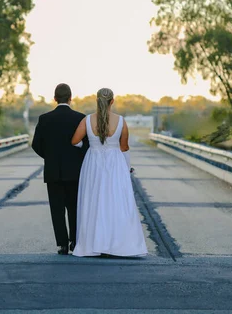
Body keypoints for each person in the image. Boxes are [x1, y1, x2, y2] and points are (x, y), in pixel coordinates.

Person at [70, 88, 148, 257]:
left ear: (96, 100)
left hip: (93, 164)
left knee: (94, 201)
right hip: (115, 165)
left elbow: (75, 141)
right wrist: (126, 168)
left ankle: (93, 244)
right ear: (113, 101)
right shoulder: (121, 121)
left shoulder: (87, 120)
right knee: (115, 202)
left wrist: (89, 147)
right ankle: (117, 245)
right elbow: (124, 147)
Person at [32, 83, 88, 255]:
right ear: (71, 98)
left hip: (53, 171)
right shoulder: (80, 118)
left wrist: (49, 158)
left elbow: (36, 145)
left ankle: (62, 244)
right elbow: (86, 145)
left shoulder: (44, 118)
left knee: (57, 209)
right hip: (75, 172)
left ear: (55, 98)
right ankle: (75, 241)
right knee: (74, 208)